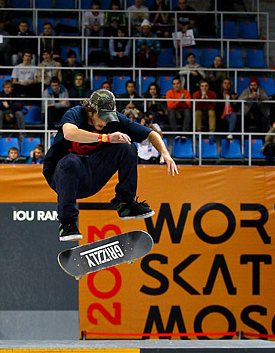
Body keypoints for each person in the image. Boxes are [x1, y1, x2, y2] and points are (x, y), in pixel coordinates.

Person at [43, 89, 177, 240]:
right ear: (90, 110)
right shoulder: (75, 114)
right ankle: (67, 223)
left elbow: (150, 134)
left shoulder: (115, 120)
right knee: (71, 161)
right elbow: (69, 133)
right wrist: (106, 138)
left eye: (108, 118)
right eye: (102, 117)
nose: (105, 122)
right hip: (60, 177)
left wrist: (165, 152)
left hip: (91, 176)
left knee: (127, 146)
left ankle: (126, 204)